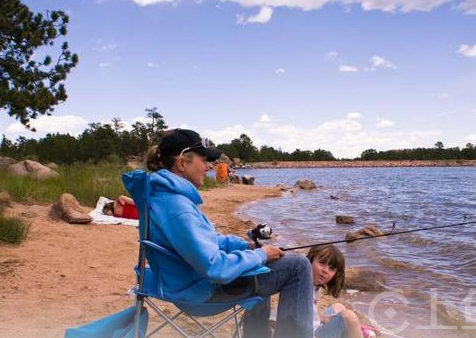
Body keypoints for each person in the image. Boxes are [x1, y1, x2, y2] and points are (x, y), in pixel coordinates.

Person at [145, 129, 313, 338]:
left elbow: (209, 242)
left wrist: (246, 246)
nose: (208, 167)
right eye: (204, 159)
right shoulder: (179, 208)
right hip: (201, 292)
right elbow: (215, 268)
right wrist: (261, 255)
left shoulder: (166, 197)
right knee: (299, 267)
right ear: (182, 163)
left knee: (260, 266)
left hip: (185, 283)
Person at [307, 245, 378, 338]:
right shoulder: (301, 285)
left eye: (331, 268)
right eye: (322, 263)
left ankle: (353, 331)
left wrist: (322, 318)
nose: (325, 270)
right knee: (349, 317)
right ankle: (354, 332)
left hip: (315, 326)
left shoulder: (314, 287)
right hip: (311, 334)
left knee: (338, 307)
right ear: (310, 261)